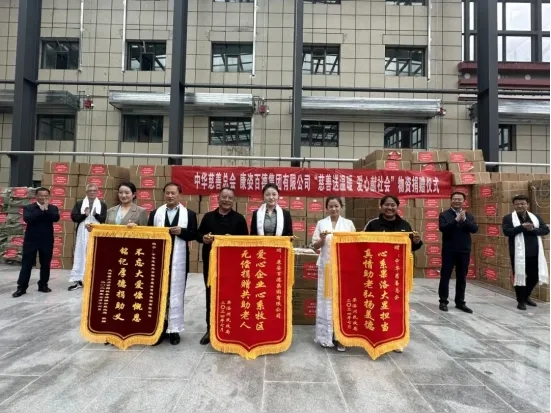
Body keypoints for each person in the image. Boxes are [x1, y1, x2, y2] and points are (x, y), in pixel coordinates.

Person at [364, 195, 422, 353]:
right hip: (377, 272)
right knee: (377, 304)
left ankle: (395, 339)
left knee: (396, 306)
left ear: (397, 207)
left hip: (397, 274)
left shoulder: (405, 225)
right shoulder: (373, 224)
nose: (390, 208)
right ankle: (376, 335)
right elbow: (362, 244)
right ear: (381, 206)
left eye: (393, 205)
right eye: (387, 205)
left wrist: (416, 242)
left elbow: (411, 247)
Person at [197, 187, 249, 345]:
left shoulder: (239, 219)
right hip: (211, 263)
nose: (226, 200)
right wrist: (204, 238)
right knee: (211, 294)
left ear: (234, 200)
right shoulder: (208, 217)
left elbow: (246, 241)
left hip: (233, 264)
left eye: (230, 198)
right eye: (224, 197)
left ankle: (232, 328)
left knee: (233, 295)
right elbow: (199, 235)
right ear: (218, 198)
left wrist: (231, 240)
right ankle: (210, 329)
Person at [148, 182, 198, 346]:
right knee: (159, 292)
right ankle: (160, 327)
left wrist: (182, 232)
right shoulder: (155, 213)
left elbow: (194, 234)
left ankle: (174, 329)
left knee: (175, 293)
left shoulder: (189, 214)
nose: (170, 196)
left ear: (180, 195)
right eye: (167, 193)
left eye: (173, 193)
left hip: (179, 260)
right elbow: (148, 233)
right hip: (158, 258)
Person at [311, 196, 356, 352]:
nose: (334, 209)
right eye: (330, 206)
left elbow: (355, 245)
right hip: (326, 267)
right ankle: (326, 336)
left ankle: (341, 337)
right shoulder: (321, 224)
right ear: (326, 208)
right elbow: (314, 246)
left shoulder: (348, 224)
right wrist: (322, 240)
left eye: (336, 206)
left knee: (342, 300)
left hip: (344, 268)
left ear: (341, 207)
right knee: (326, 300)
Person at [502, 195, 549, 311]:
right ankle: (521, 301)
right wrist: (521, 227)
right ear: (514, 205)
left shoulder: (535, 217)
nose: (520, 206)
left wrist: (532, 229)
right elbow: (507, 232)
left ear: (527, 204)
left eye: (522, 203)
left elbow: (545, 230)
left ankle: (525, 296)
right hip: (517, 253)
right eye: (517, 204)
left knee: (534, 276)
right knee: (519, 275)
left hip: (534, 252)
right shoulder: (508, 218)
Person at [12, 187, 60, 298]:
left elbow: (55, 218)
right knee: (27, 264)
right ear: (36, 196)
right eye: (41, 195)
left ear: (49, 196)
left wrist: (46, 210)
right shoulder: (29, 208)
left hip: (46, 240)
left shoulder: (53, 208)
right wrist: (40, 211)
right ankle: (22, 287)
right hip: (31, 241)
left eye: (46, 196)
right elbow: (27, 219)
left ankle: (43, 285)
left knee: (45, 264)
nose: (43, 198)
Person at [437, 191, 478, 314]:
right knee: (445, 276)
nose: (457, 201)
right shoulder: (444, 214)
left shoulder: (468, 215)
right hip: (449, 250)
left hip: (464, 250)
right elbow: (443, 228)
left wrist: (464, 219)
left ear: (464, 201)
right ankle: (443, 301)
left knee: (462, 277)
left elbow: (474, 229)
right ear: (451, 200)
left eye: (460, 199)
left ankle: (460, 302)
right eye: (455, 199)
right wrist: (456, 220)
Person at [68, 184, 107, 291]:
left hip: (96, 231)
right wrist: (84, 215)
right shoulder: (80, 203)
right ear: (86, 192)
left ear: (97, 192)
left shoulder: (102, 204)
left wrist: (96, 215)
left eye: (94, 191)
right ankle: (79, 280)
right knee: (80, 253)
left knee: (96, 253)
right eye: (90, 191)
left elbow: (104, 219)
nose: (92, 192)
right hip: (82, 231)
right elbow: (74, 217)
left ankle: (95, 279)